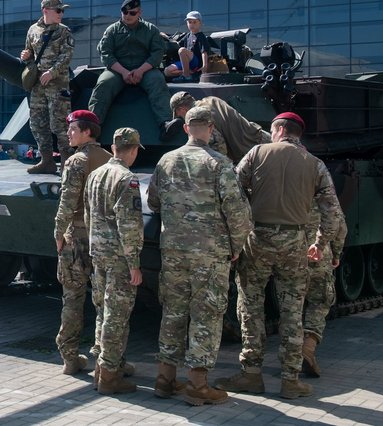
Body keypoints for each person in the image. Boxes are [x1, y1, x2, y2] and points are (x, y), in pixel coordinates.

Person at [215, 112, 343, 400]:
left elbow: (233, 196)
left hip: (257, 238)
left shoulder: (256, 153)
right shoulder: (315, 164)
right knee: (292, 310)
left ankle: (251, 374)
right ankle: (290, 380)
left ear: (280, 130)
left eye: (271, 131)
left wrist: (236, 240)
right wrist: (320, 244)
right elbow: (332, 213)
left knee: (250, 305)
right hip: (296, 242)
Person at [147, 106, 252, 405]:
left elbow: (153, 201)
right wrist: (235, 247)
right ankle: (197, 385)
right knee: (205, 315)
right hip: (210, 253)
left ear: (185, 128)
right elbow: (237, 212)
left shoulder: (165, 161)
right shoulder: (219, 164)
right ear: (210, 128)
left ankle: (165, 379)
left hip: (174, 252)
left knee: (173, 313)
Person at [84, 127, 144, 394]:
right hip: (119, 257)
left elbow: (88, 216)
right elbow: (129, 224)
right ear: (131, 150)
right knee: (117, 316)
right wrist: (134, 263)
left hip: (98, 253)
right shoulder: (127, 179)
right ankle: (109, 376)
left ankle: (102, 366)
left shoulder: (96, 175)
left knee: (102, 312)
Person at [54, 110, 111, 377]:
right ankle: (104, 359)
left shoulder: (76, 161)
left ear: (88, 130)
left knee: (73, 298)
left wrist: (58, 233)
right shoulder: (110, 160)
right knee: (103, 301)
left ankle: (69, 357)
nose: (68, 133)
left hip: (75, 237)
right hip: (101, 238)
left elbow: (67, 202)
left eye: (73, 129)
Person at [88, 0, 178, 139]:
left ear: (139, 13)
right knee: (104, 84)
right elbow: (106, 54)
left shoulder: (150, 30)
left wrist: (140, 71)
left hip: (145, 69)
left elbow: (157, 53)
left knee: (157, 82)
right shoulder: (112, 30)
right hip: (117, 70)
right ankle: (92, 127)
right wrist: (124, 72)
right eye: (125, 11)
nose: (127, 15)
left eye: (132, 13)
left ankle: (165, 123)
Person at [19, 0, 75, 174]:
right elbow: (30, 55)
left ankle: (67, 162)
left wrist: (52, 72)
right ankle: (47, 161)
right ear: (46, 11)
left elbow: (66, 56)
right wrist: (26, 58)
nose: (61, 13)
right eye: (58, 10)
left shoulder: (64, 31)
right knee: (37, 123)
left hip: (57, 85)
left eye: (62, 10)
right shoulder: (33, 30)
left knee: (59, 124)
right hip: (38, 85)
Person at [302, 203, 347, 377]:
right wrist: (336, 253)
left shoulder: (287, 185)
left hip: (290, 254)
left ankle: (289, 359)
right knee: (320, 302)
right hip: (318, 254)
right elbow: (339, 224)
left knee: (291, 305)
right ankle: (308, 346)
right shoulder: (321, 187)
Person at [170, 92, 271, 163]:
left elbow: (219, 149)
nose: (181, 117)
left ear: (182, 109)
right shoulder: (213, 100)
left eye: (179, 114)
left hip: (254, 153)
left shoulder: (201, 116)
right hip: (263, 138)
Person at [163, 11, 211, 81]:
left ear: (200, 23)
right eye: (189, 22)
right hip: (187, 64)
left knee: (182, 50)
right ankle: (189, 73)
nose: (192, 24)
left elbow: (204, 52)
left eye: (194, 22)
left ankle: (186, 76)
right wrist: (165, 36)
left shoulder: (201, 36)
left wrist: (204, 66)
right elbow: (176, 43)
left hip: (196, 63)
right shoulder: (187, 36)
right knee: (167, 71)